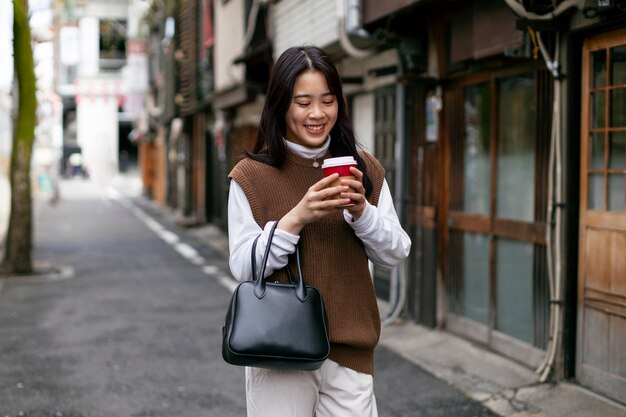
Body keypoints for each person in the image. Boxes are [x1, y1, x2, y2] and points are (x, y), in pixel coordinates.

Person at [227, 45, 411, 417]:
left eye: (327, 101)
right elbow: (243, 267)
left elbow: (396, 252)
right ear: (281, 105)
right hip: (278, 349)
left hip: (350, 349)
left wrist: (362, 213)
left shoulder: (364, 169)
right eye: (303, 102)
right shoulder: (251, 176)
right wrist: (297, 217)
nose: (317, 113)